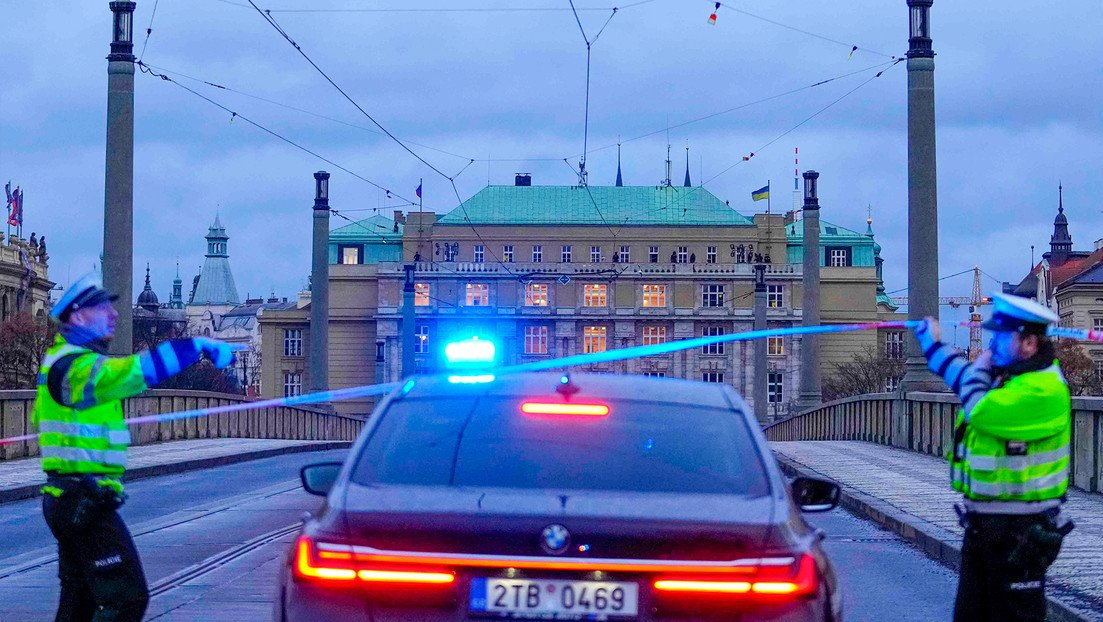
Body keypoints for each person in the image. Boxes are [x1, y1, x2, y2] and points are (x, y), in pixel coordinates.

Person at [32, 272, 240, 621]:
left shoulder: (66, 361)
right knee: (126, 599)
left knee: (80, 600)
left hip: (73, 499)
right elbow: (132, 373)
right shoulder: (73, 368)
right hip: (80, 501)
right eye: (103, 309)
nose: (114, 315)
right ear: (79, 316)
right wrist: (195, 348)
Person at [914, 293, 1073, 622]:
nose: (992, 345)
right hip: (986, 528)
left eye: (1001, 337)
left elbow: (978, 407)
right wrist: (933, 346)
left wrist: (980, 364)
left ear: (1028, 343)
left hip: (1021, 533)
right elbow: (965, 381)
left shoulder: (1042, 389)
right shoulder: (1012, 379)